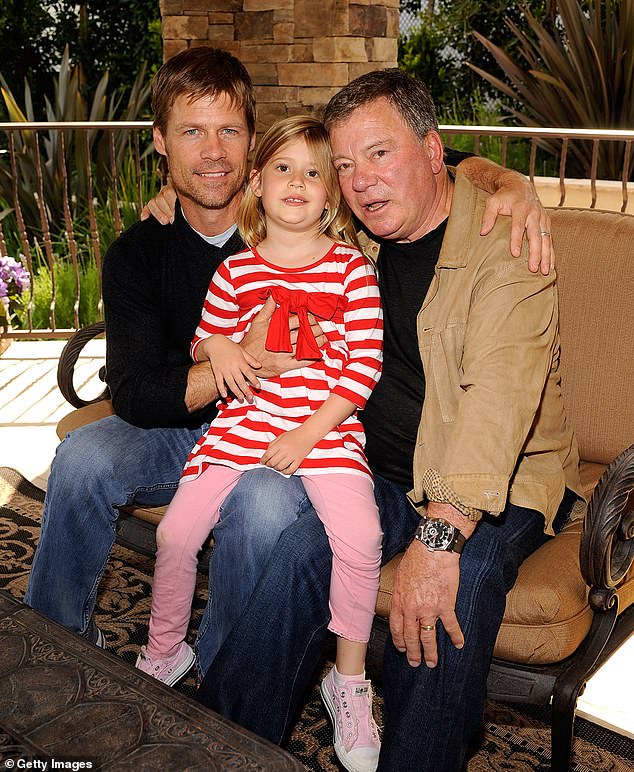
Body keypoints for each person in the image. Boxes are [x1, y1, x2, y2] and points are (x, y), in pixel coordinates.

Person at [24, 45, 553, 692]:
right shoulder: (141, 249)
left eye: (229, 132)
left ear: (254, 147)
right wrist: (236, 359)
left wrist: (509, 180)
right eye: (191, 132)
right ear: (160, 142)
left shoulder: (295, 219)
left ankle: (224, 685)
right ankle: (55, 642)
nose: (212, 152)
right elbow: (135, 394)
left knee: (265, 506)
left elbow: (408, 162)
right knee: (82, 455)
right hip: (179, 423)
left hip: (286, 424)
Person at [193, 69, 584, 772]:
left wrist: (438, 540)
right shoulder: (357, 235)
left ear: (433, 151)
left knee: (447, 597)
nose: (361, 181)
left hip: (500, 477)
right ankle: (220, 748)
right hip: (379, 465)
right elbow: (268, 204)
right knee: (293, 557)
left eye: (379, 154)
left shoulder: (508, 243)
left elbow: (497, 402)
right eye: (344, 165)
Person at [136, 113, 384, 771]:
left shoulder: (350, 272)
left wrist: (306, 434)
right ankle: (167, 648)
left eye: (313, 172)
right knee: (175, 534)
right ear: (257, 183)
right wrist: (216, 343)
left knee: (361, 538)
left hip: (322, 431)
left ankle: (348, 679)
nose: (297, 182)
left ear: (331, 194)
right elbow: (205, 339)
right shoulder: (236, 272)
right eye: (283, 168)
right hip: (240, 426)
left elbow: (364, 368)